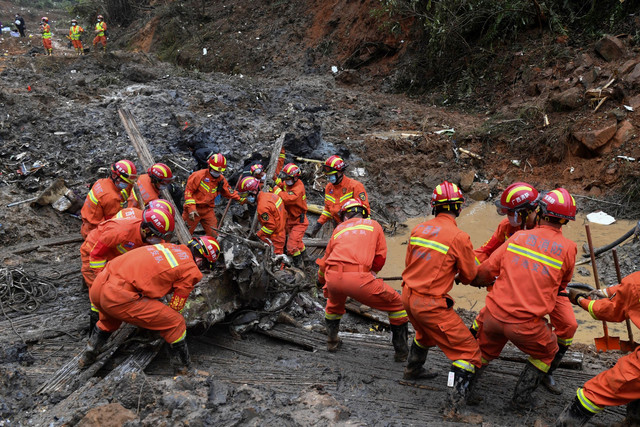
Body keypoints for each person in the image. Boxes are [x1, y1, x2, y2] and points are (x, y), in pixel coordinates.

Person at [473, 188, 577, 409]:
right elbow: (487, 253)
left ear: (536, 211)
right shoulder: (511, 229)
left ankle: (546, 375)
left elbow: (561, 286)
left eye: (512, 212)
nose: (509, 217)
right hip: (517, 293)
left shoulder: (524, 236)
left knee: (568, 325)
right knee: (485, 322)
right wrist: (468, 267)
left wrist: (475, 277)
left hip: (541, 290)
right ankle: (520, 397)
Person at [80, 235, 220, 374]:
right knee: (176, 323)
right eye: (205, 267)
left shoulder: (169, 247)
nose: (202, 270)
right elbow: (176, 306)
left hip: (99, 285)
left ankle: (87, 356)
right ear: (201, 260)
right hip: (117, 296)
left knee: (109, 321)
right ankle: (184, 370)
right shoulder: (191, 269)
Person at [401, 181, 482, 412]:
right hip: (429, 304)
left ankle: (412, 370)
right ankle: (453, 406)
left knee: (424, 333)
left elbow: (411, 265)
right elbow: (469, 275)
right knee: (468, 352)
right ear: (458, 207)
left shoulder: (418, 229)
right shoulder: (459, 237)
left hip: (407, 296)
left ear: (434, 207)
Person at [316, 198, 409, 361]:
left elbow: (325, 262)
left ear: (344, 216)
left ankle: (331, 341)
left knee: (333, 305)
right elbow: (380, 257)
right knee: (398, 305)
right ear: (364, 213)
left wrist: (321, 281)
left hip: (332, 276)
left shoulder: (338, 229)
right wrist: (371, 272)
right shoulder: (374, 225)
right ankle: (401, 352)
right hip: (357, 278)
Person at [556, 271, 640, 426]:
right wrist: (606, 292)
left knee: (595, 392)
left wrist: (580, 300)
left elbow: (608, 310)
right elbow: (628, 289)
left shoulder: (636, 283)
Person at [80, 207, 175, 333]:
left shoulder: (152, 236)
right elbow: (96, 255)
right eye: (157, 236)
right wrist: (102, 278)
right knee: (98, 293)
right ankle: (94, 330)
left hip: (115, 254)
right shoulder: (120, 231)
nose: (159, 240)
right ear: (146, 230)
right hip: (93, 251)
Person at [307, 155, 369, 238]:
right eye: (328, 175)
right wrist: (319, 224)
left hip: (354, 228)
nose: (329, 178)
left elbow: (365, 212)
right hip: (338, 226)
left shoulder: (355, 186)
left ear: (341, 171)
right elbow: (328, 210)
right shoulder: (329, 188)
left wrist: (364, 233)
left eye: (332, 175)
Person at [182, 153, 240, 235]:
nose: (217, 172)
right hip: (194, 209)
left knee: (214, 234)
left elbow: (228, 192)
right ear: (209, 167)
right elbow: (188, 192)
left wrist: (241, 199)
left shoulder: (221, 180)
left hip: (208, 210)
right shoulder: (198, 175)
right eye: (215, 170)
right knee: (185, 233)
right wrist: (191, 209)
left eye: (219, 171)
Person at [80, 159, 137, 239]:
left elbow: (119, 194)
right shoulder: (111, 197)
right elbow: (113, 223)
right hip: (94, 233)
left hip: (87, 227)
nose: (127, 184)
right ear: (114, 176)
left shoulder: (101, 182)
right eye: (125, 181)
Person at [238, 176, 287, 254]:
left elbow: (270, 227)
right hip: (282, 229)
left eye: (247, 195)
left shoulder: (262, 207)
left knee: (276, 258)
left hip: (276, 236)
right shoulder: (270, 195)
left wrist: (259, 234)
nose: (247, 198)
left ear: (253, 192)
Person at [272, 163, 309, 267]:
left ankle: (299, 266)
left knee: (291, 246)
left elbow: (287, 198)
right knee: (297, 241)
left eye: (288, 178)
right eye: (286, 177)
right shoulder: (290, 183)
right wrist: (274, 178)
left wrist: (275, 188)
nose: (286, 180)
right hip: (290, 219)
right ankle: (305, 258)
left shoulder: (298, 188)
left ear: (295, 177)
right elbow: (282, 184)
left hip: (299, 221)